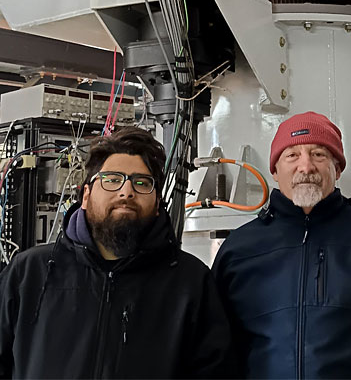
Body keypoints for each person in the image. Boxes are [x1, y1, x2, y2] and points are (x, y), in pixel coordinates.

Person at [212, 111, 351, 378]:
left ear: (338, 168)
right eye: (292, 155)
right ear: (274, 170)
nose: (306, 167)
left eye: (319, 155)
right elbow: (216, 350)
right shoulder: (239, 250)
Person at [0, 127, 235, 378]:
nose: (126, 191)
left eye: (142, 183)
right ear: (86, 196)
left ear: (157, 204)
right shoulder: (29, 273)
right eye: (112, 179)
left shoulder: (190, 282)